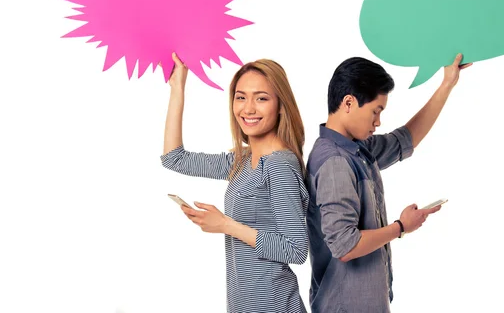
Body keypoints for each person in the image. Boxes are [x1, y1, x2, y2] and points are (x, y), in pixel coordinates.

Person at [305, 54, 472, 313]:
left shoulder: (357, 150)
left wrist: (447, 83)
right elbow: (345, 245)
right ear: (348, 102)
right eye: (376, 111)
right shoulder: (335, 162)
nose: (378, 122)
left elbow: (405, 139)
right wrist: (401, 227)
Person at [160, 52, 309, 313]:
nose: (248, 109)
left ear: (281, 105)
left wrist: (226, 225)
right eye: (240, 97)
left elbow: (295, 250)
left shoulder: (279, 165)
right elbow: (174, 159)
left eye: (261, 98)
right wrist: (178, 88)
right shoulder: (242, 161)